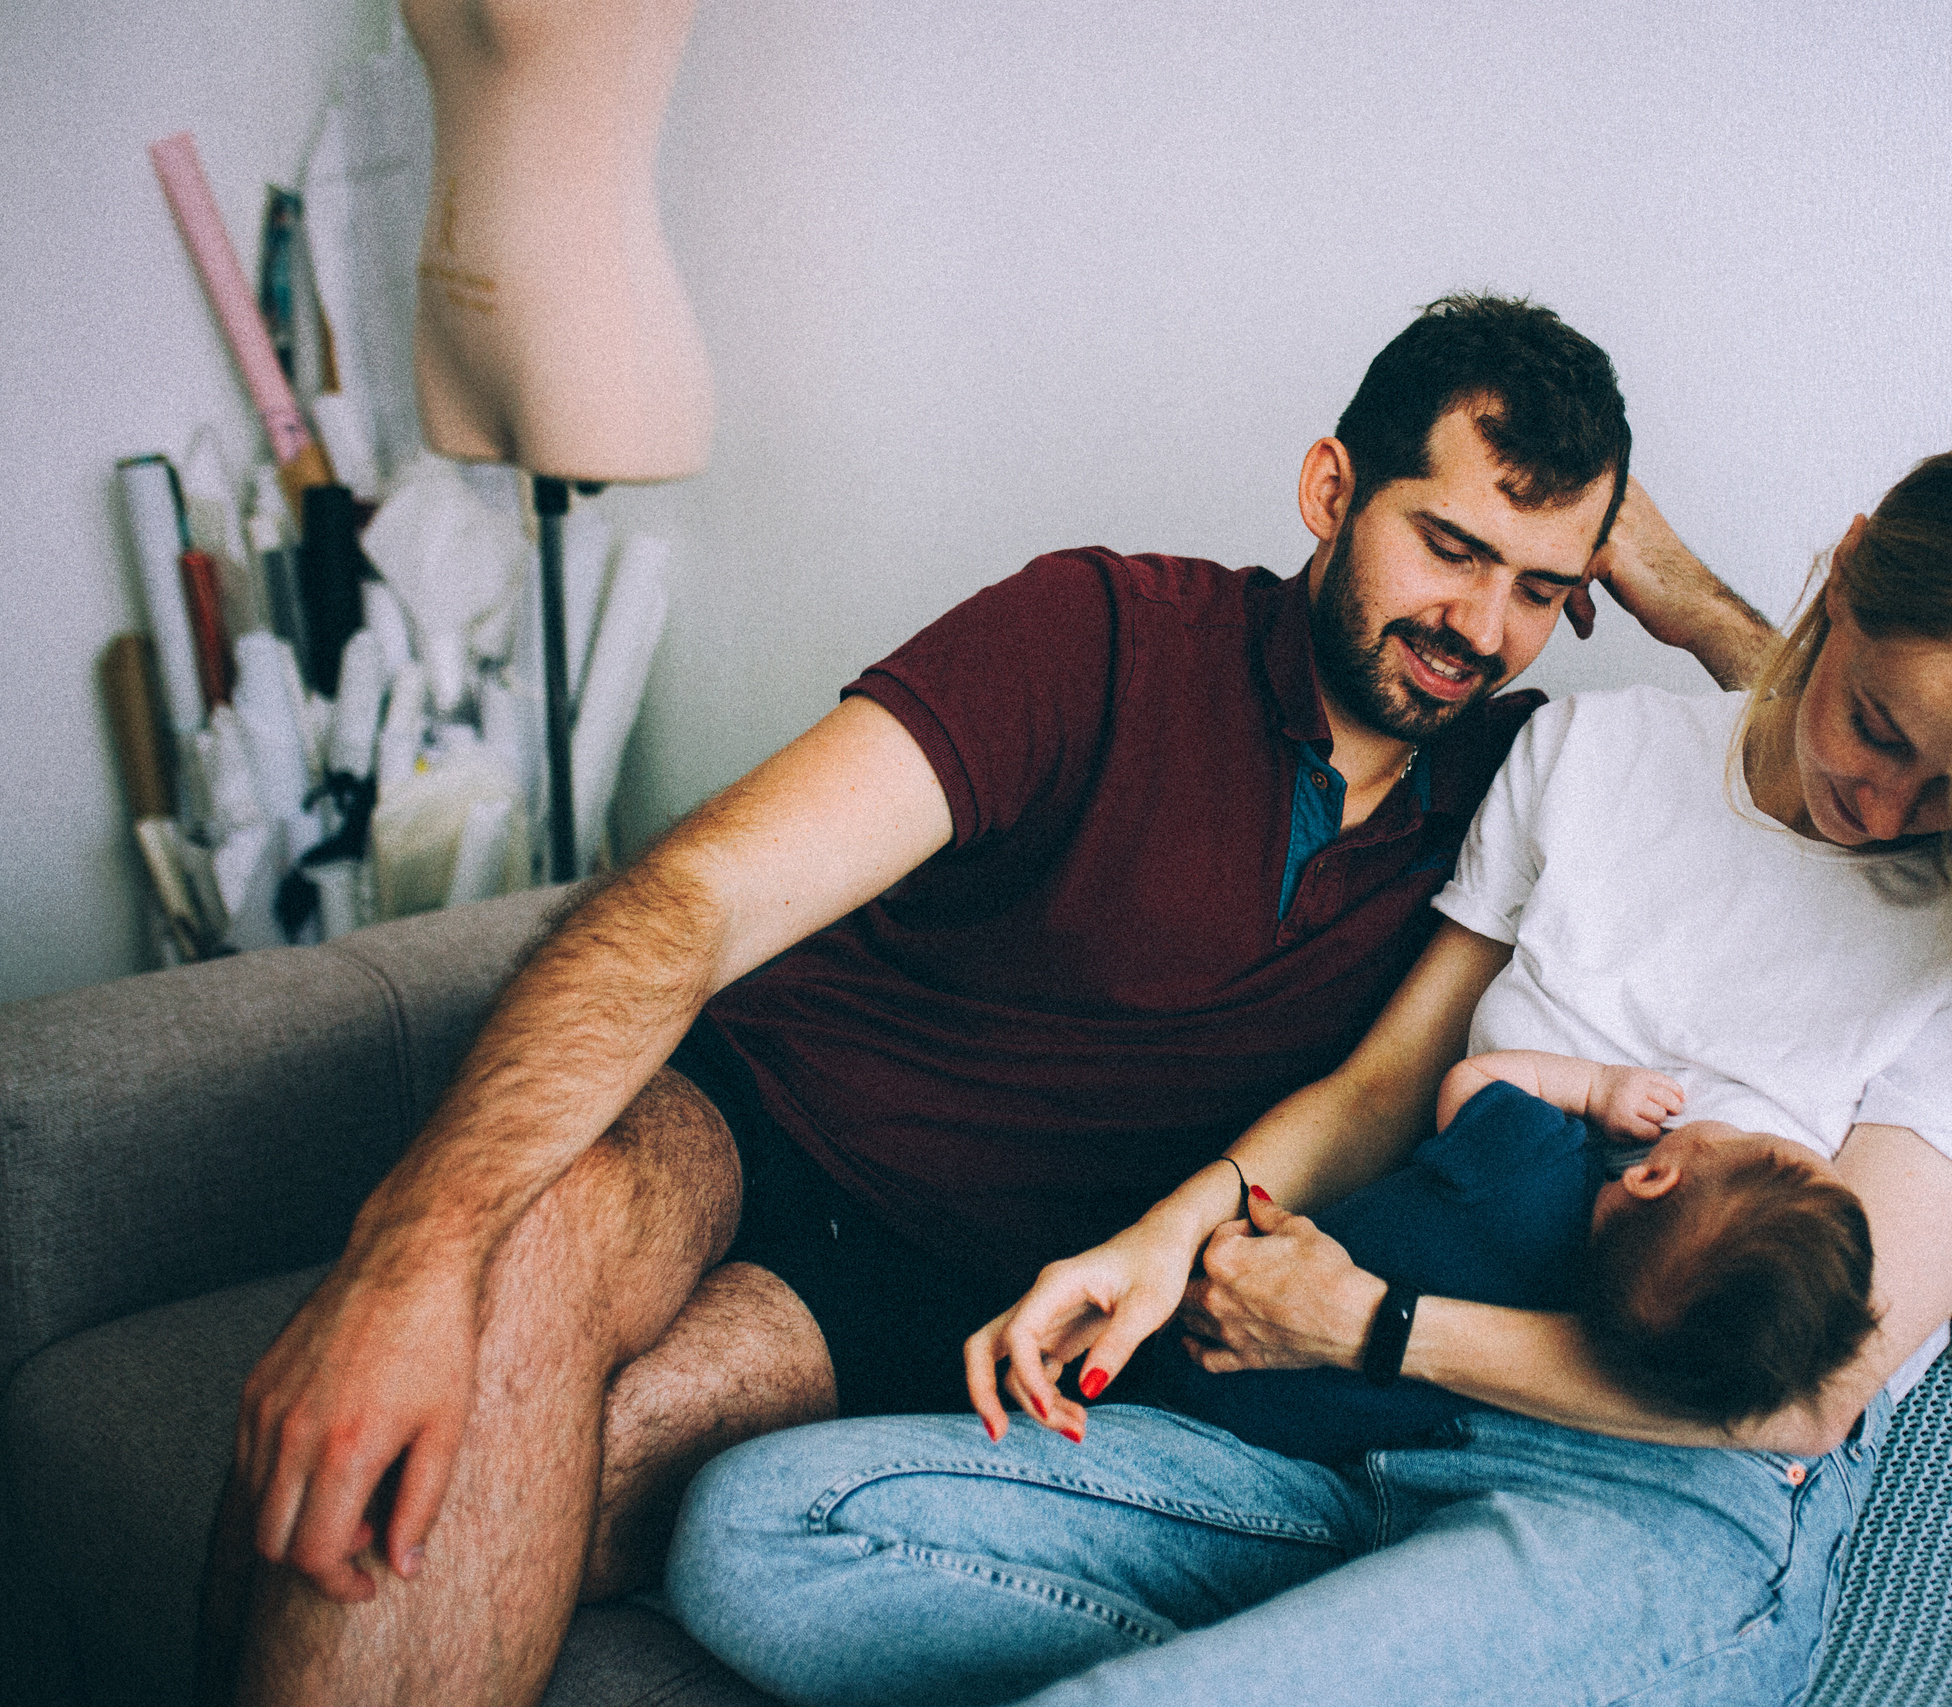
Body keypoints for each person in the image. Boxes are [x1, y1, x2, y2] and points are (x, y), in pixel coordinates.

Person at [200, 293, 1777, 1707]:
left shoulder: (1526, 792)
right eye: (1449, 546)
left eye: (1538, 587)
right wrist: (407, 1259)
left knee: (559, 1464)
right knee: (530, 1249)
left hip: (939, 1298)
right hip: (758, 1115)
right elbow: (684, 904)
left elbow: (1860, 788)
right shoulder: (1100, 633)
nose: (1480, 629)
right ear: (1329, 489)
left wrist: (1688, 598)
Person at [662, 420, 1952, 1707]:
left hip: (1640, 1497)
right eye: (1874, 722)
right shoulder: (1600, 754)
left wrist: (1371, 1317)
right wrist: (1164, 1243)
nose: (1885, 804)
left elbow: (1802, 1386)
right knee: (755, 1535)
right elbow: (1384, 1089)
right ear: (1849, 569)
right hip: (1335, 1437)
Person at [1138, 1051, 1878, 1463]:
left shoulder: (1534, 1158)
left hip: (1214, 1317)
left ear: (1654, 1174)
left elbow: (1467, 1082)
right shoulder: (1582, 1323)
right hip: (1304, 1442)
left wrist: (1594, 1087)